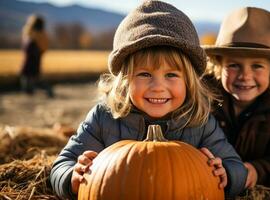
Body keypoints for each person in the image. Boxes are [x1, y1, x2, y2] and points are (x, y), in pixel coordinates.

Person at [50, 1, 247, 199]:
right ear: (125, 80)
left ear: (189, 82)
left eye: (171, 75)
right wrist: (71, 178)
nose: (158, 87)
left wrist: (227, 175)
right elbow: (62, 164)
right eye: (144, 74)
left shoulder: (199, 122)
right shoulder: (104, 118)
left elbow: (236, 166)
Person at [203, 7, 270, 189]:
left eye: (257, 66)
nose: (245, 76)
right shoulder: (202, 100)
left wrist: (256, 171)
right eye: (234, 65)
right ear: (218, 65)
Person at [20, 14, 53, 97]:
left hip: (31, 58)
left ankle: (32, 91)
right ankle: (31, 91)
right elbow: (44, 48)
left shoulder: (30, 32)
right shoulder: (40, 34)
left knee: (30, 76)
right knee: (32, 76)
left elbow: (27, 45)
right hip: (33, 58)